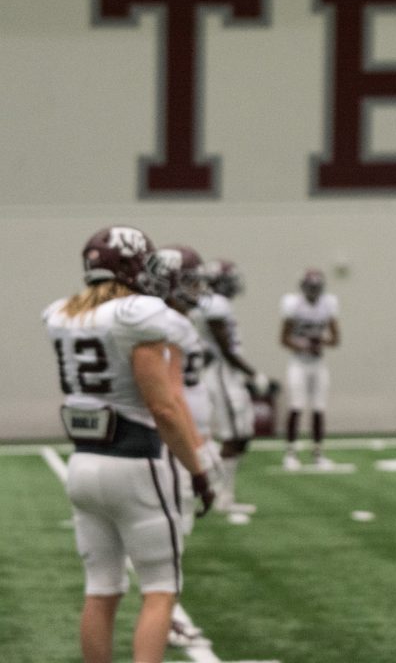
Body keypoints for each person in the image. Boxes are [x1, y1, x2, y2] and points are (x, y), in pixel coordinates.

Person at [44, 226, 217, 663]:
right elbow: (164, 407)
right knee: (160, 590)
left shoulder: (64, 313)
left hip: (83, 464)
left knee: (100, 590)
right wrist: (197, 471)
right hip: (135, 461)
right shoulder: (138, 313)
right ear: (133, 266)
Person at [145, 244, 218, 647]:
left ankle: (168, 611)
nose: (198, 288)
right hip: (175, 443)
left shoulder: (175, 321)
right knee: (171, 533)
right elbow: (171, 393)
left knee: (177, 532)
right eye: (190, 280)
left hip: (188, 437)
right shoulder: (166, 323)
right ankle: (168, 616)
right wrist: (194, 446)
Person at [192, 258, 271, 515]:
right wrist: (253, 373)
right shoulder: (215, 304)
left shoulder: (214, 304)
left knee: (243, 434)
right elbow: (225, 349)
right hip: (222, 374)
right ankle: (221, 495)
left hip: (227, 374)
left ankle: (221, 490)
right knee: (233, 435)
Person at [280, 268, 340, 470]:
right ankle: (290, 452)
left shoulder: (328, 304)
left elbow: (335, 339)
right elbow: (283, 339)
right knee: (296, 406)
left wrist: (320, 341)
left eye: (316, 287)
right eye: (310, 287)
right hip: (298, 362)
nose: (313, 291)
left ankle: (318, 453)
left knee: (319, 407)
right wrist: (303, 344)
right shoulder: (293, 304)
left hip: (317, 363)